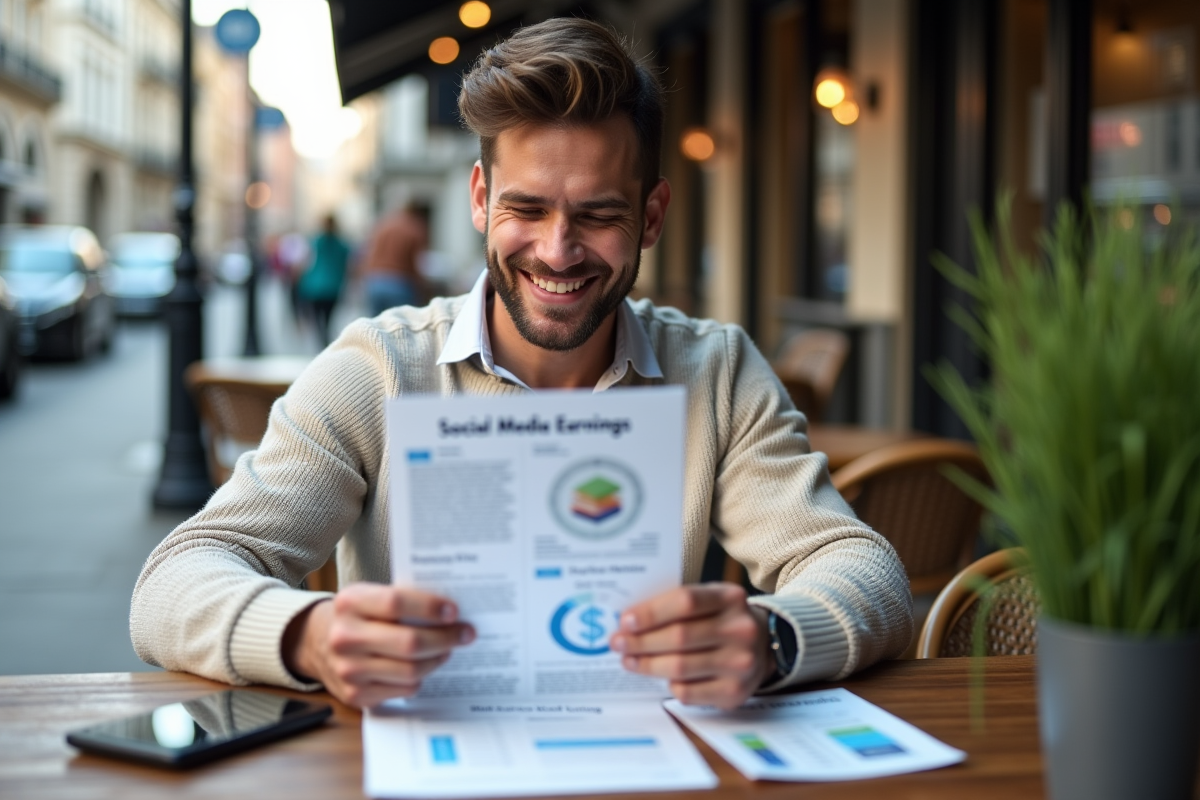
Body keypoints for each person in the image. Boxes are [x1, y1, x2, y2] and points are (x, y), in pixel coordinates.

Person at [131, 18, 911, 711]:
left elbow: (862, 568)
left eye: (598, 215)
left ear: (651, 216)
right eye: (526, 209)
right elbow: (174, 581)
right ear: (480, 199)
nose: (558, 251)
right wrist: (308, 635)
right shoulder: (379, 369)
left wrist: (773, 637)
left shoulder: (716, 372)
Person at [360, 201, 430, 316]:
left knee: (375, 322)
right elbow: (416, 262)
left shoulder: (384, 223)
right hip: (399, 282)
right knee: (402, 322)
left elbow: (369, 250)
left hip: (375, 280)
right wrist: (422, 286)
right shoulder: (414, 228)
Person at [296, 215, 351, 346]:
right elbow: (346, 266)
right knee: (328, 319)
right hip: (333, 286)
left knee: (317, 319)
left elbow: (306, 261)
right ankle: (324, 340)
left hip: (315, 286)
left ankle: (322, 341)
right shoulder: (342, 244)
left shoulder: (315, 242)